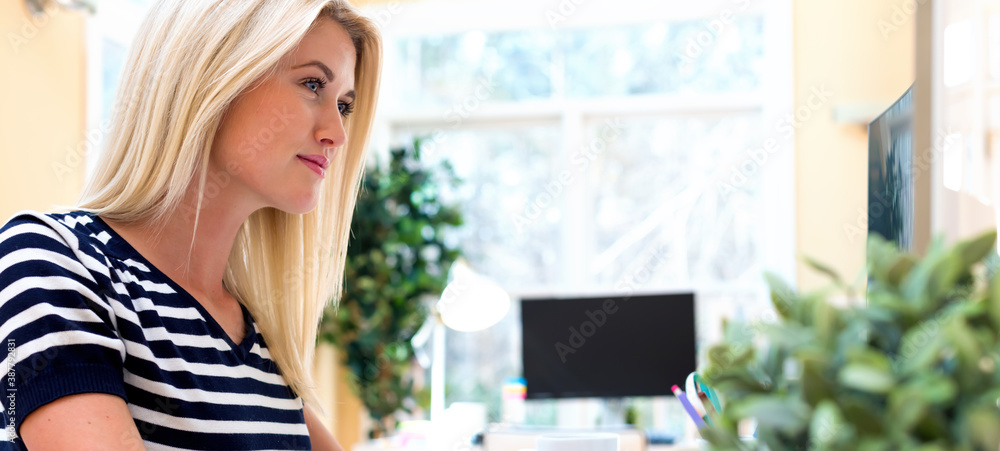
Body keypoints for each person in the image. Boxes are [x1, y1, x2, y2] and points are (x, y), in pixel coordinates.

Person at [0, 0, 381, 449]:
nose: (336, 133)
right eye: (312, 84)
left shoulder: (259, 344)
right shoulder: (51, 261)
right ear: (212, 76)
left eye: (344, 105)